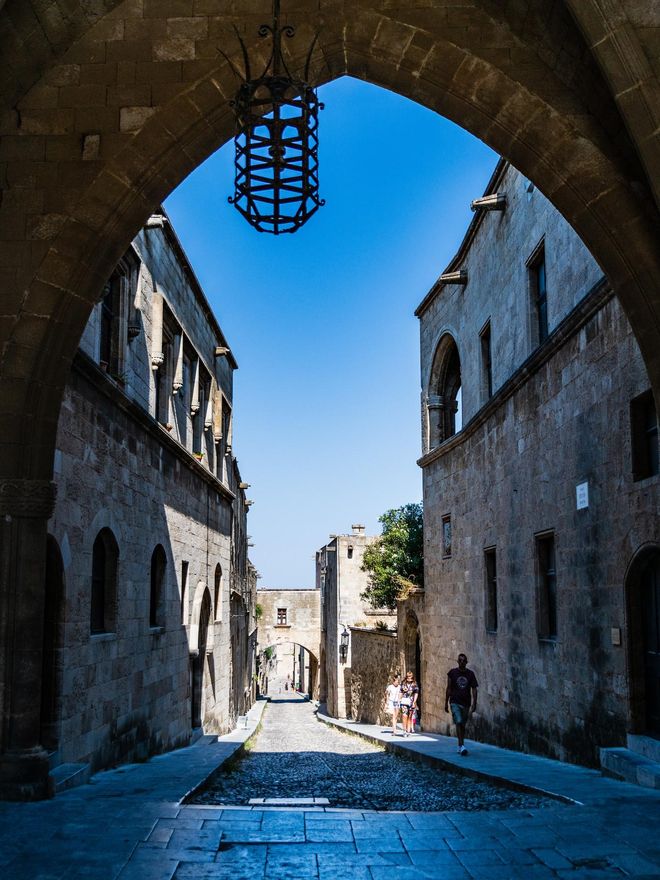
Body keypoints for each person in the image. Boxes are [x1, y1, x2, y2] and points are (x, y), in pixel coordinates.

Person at [444, 653, 478, 756]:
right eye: (460, 660)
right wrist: (446, 702)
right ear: (458, 661)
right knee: (458, 721)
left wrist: (474, 703)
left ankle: (461, 744)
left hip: (466, 703)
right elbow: (448, 688)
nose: (462, 662)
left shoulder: (470, 674)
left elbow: (474, 689)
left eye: (464, 661)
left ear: (466, 662)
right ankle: (461, 745)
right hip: (455, 701)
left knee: (462, 724)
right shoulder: (452, 673)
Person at [400, 670, 420, 737]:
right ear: (406, 676)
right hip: (404, 701)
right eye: (408, 676)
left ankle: (408, 731)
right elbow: (400, 692)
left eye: (410, 676)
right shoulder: (403, 683)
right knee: (404, 715)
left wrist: (414, 702)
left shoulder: (414, 684)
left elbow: (416, 693)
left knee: (410, 716)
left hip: (411, 701)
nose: (409, 677)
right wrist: (399, 700)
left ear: (412, 676)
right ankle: (404, 730)